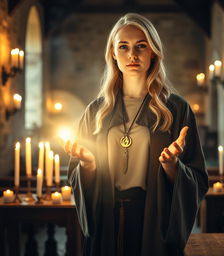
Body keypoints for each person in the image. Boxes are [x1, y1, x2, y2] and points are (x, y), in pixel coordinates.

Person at [65, 13, 208, 256]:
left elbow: (196, 178)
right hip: (106, 221)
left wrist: (172, 165)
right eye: (124, 47)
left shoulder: (176, 109)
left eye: (141, 46)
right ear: (113, 53)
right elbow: (76, 178)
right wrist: (88, 165)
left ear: (153, 51)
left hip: (152, 220)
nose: (132, 54)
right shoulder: (96, 110)